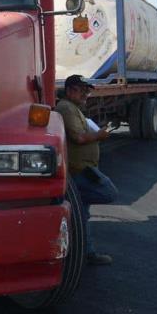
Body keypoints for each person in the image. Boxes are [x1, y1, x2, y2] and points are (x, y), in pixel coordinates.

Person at [54, 74, 118, 266]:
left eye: (87, 91)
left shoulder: (74, 108)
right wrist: (99, 135)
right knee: (108, 193)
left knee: (82, 213)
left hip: (85, 168)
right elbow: (79, 138)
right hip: (80, 171)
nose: (85, 94)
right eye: (82, 90)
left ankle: (85, 252)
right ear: (70, 90)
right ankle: (82, 247)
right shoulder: (66, 108)